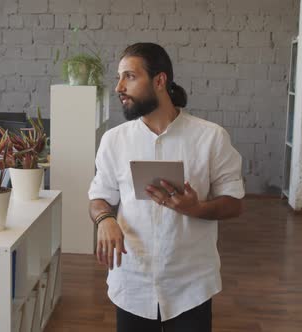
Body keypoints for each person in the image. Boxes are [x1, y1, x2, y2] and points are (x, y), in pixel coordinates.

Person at [88, 43, 244, 332]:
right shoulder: (114, 140)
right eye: (119, 77)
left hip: (191, 284)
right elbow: (99, 196)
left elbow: (234, 202)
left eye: (130, 77)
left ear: (159, 81)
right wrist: (104, 219)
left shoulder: (210, 138)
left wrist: (197, 208)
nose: (119, 87)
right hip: (132, 281)